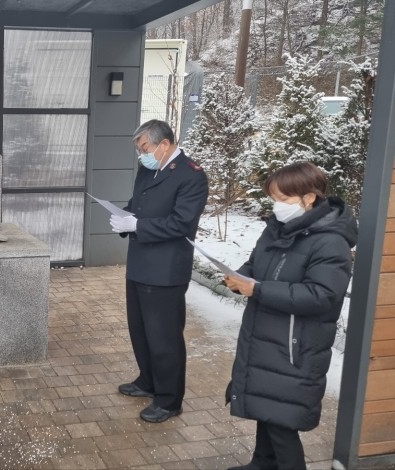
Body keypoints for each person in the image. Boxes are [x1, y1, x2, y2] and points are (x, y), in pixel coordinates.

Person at [223, 162, 357, 470]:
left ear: (309, 198)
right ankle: (262, 463)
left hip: (295, 345)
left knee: (282, 422)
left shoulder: (330, 241)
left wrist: (258, 290)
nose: (276, 206)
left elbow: (322, 295)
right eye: (273, 198)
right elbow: (255, 265)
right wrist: (237, 277)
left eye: (283, 199)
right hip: (264, 334)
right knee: (266, 406)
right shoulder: (277, 229)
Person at [110, 119, 208, 423]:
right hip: (140, 263)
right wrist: (123, 218)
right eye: (140, 150)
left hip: (166, 270)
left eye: (145, 148)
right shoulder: (148, 169)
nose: (142, 155)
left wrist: (138, 225)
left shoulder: (191, 176)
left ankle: (169, 399)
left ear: (164, 144)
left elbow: (182, 223)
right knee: (140, 330)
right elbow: (137, 205)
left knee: (164, 337)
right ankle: (148, 381)